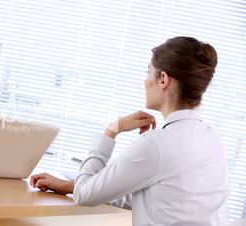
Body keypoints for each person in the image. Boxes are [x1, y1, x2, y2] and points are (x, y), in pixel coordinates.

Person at [31, 37, 228, 225]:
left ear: (163, 79)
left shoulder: (157, 143)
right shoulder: (211, 138)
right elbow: (152, 200)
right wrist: (70, 186)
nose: (144, 81)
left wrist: (111, 130)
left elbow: (84, 195)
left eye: (148, 72)